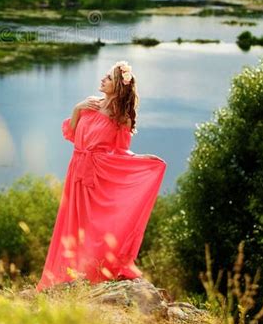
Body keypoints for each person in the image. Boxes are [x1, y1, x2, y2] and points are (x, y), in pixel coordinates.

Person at [36, 60, 166, 291]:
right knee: (72, 221)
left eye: (108, 78)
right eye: (105, 77)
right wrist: (77, 108)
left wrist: (142, 162)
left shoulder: (121, 117)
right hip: (77, 167)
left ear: (118, 86)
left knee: (94, 224)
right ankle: (66, 273)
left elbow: (120, 152)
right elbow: (73, 135)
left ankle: (93, 270)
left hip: (96, 174)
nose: (102, 80)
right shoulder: (90, 105)